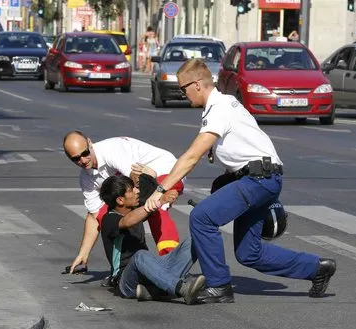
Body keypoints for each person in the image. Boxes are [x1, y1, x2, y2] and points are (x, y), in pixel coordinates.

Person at [143, 59, 337, 303]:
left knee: (202, 217)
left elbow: (192, 156)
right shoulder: (224, 105)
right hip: (263, 177)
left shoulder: (219, 108)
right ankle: (317, 268)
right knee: (249, 253)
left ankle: (219, 286)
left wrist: (160, 189)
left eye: (183, 88)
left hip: (258, 179)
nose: (182, 94)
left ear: (197, 85)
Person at [63, 132, 186, 274]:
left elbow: (137, 179)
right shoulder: (86, 178)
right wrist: (83, 254)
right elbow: (94, 215)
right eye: (76, 159)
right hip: (137, 183)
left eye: (85, 153)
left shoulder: (111, 151)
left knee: (154, 207)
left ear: (90, 143)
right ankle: (124, 268)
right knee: (108, 217)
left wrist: (153, 202)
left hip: (165, 172)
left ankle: (172, 263)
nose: (83, 160)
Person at [98, 175, 206, 304]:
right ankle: (181, 288)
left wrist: (166, 196)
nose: (137, 191)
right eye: (132, 190)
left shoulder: (136, 208)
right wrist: (159, 202)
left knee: (196, 238)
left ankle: (154, 290)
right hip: (126, 280)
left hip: (149, 273)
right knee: (140, 256)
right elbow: (129, 220)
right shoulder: (109, 219)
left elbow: (150, 195)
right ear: (120, 200)